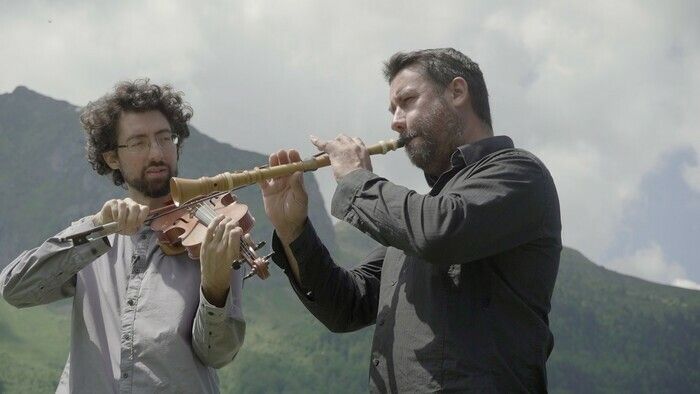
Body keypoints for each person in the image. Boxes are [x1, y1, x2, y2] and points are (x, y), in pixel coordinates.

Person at [260, 48, 561, 392]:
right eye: (392, 110)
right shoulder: (420, 218)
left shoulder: (519, 172)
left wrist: (357, 179)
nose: (395, 121)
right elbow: (346, 305)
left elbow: (438, 231)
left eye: (407, 101)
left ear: (457, 92)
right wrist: (292, 228)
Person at [1, 80, 246, 393]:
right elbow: (15, 290)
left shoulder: (211, 235)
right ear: (112, 158)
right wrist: (96, 229)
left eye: (164, 138)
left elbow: (219, 353)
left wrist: (214, 287)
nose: (157, 153)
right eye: (139, 143)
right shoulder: (93, 235)